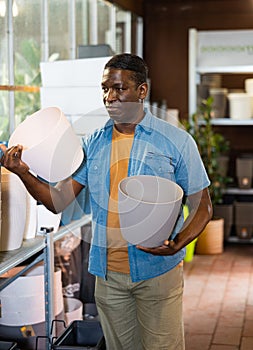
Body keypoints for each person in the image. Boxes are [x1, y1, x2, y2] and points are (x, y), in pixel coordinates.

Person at [0, 53, 212, 350]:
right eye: (105, 89)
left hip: (157, 273)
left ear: (142, 90)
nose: (110, 97)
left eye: (119, 88)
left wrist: (179, 242)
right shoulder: (93, 144)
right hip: (108, 279)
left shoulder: (176, 141)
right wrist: (22, 172)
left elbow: (203, 205)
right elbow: (58, 201)